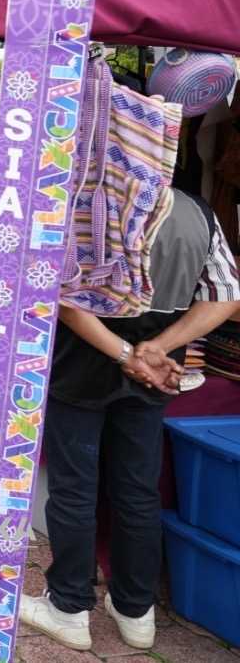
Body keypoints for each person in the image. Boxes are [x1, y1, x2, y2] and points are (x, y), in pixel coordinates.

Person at [20, 189, 240, 652]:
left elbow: (64, 298)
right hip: (153, 373)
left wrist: (131, 353)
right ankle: (136, 610)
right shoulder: (196, 210)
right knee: (137, 489)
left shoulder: (84, 199)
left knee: (75, 488)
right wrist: (159, 347)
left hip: (86, 366)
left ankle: (70, 606)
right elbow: (226, 295)